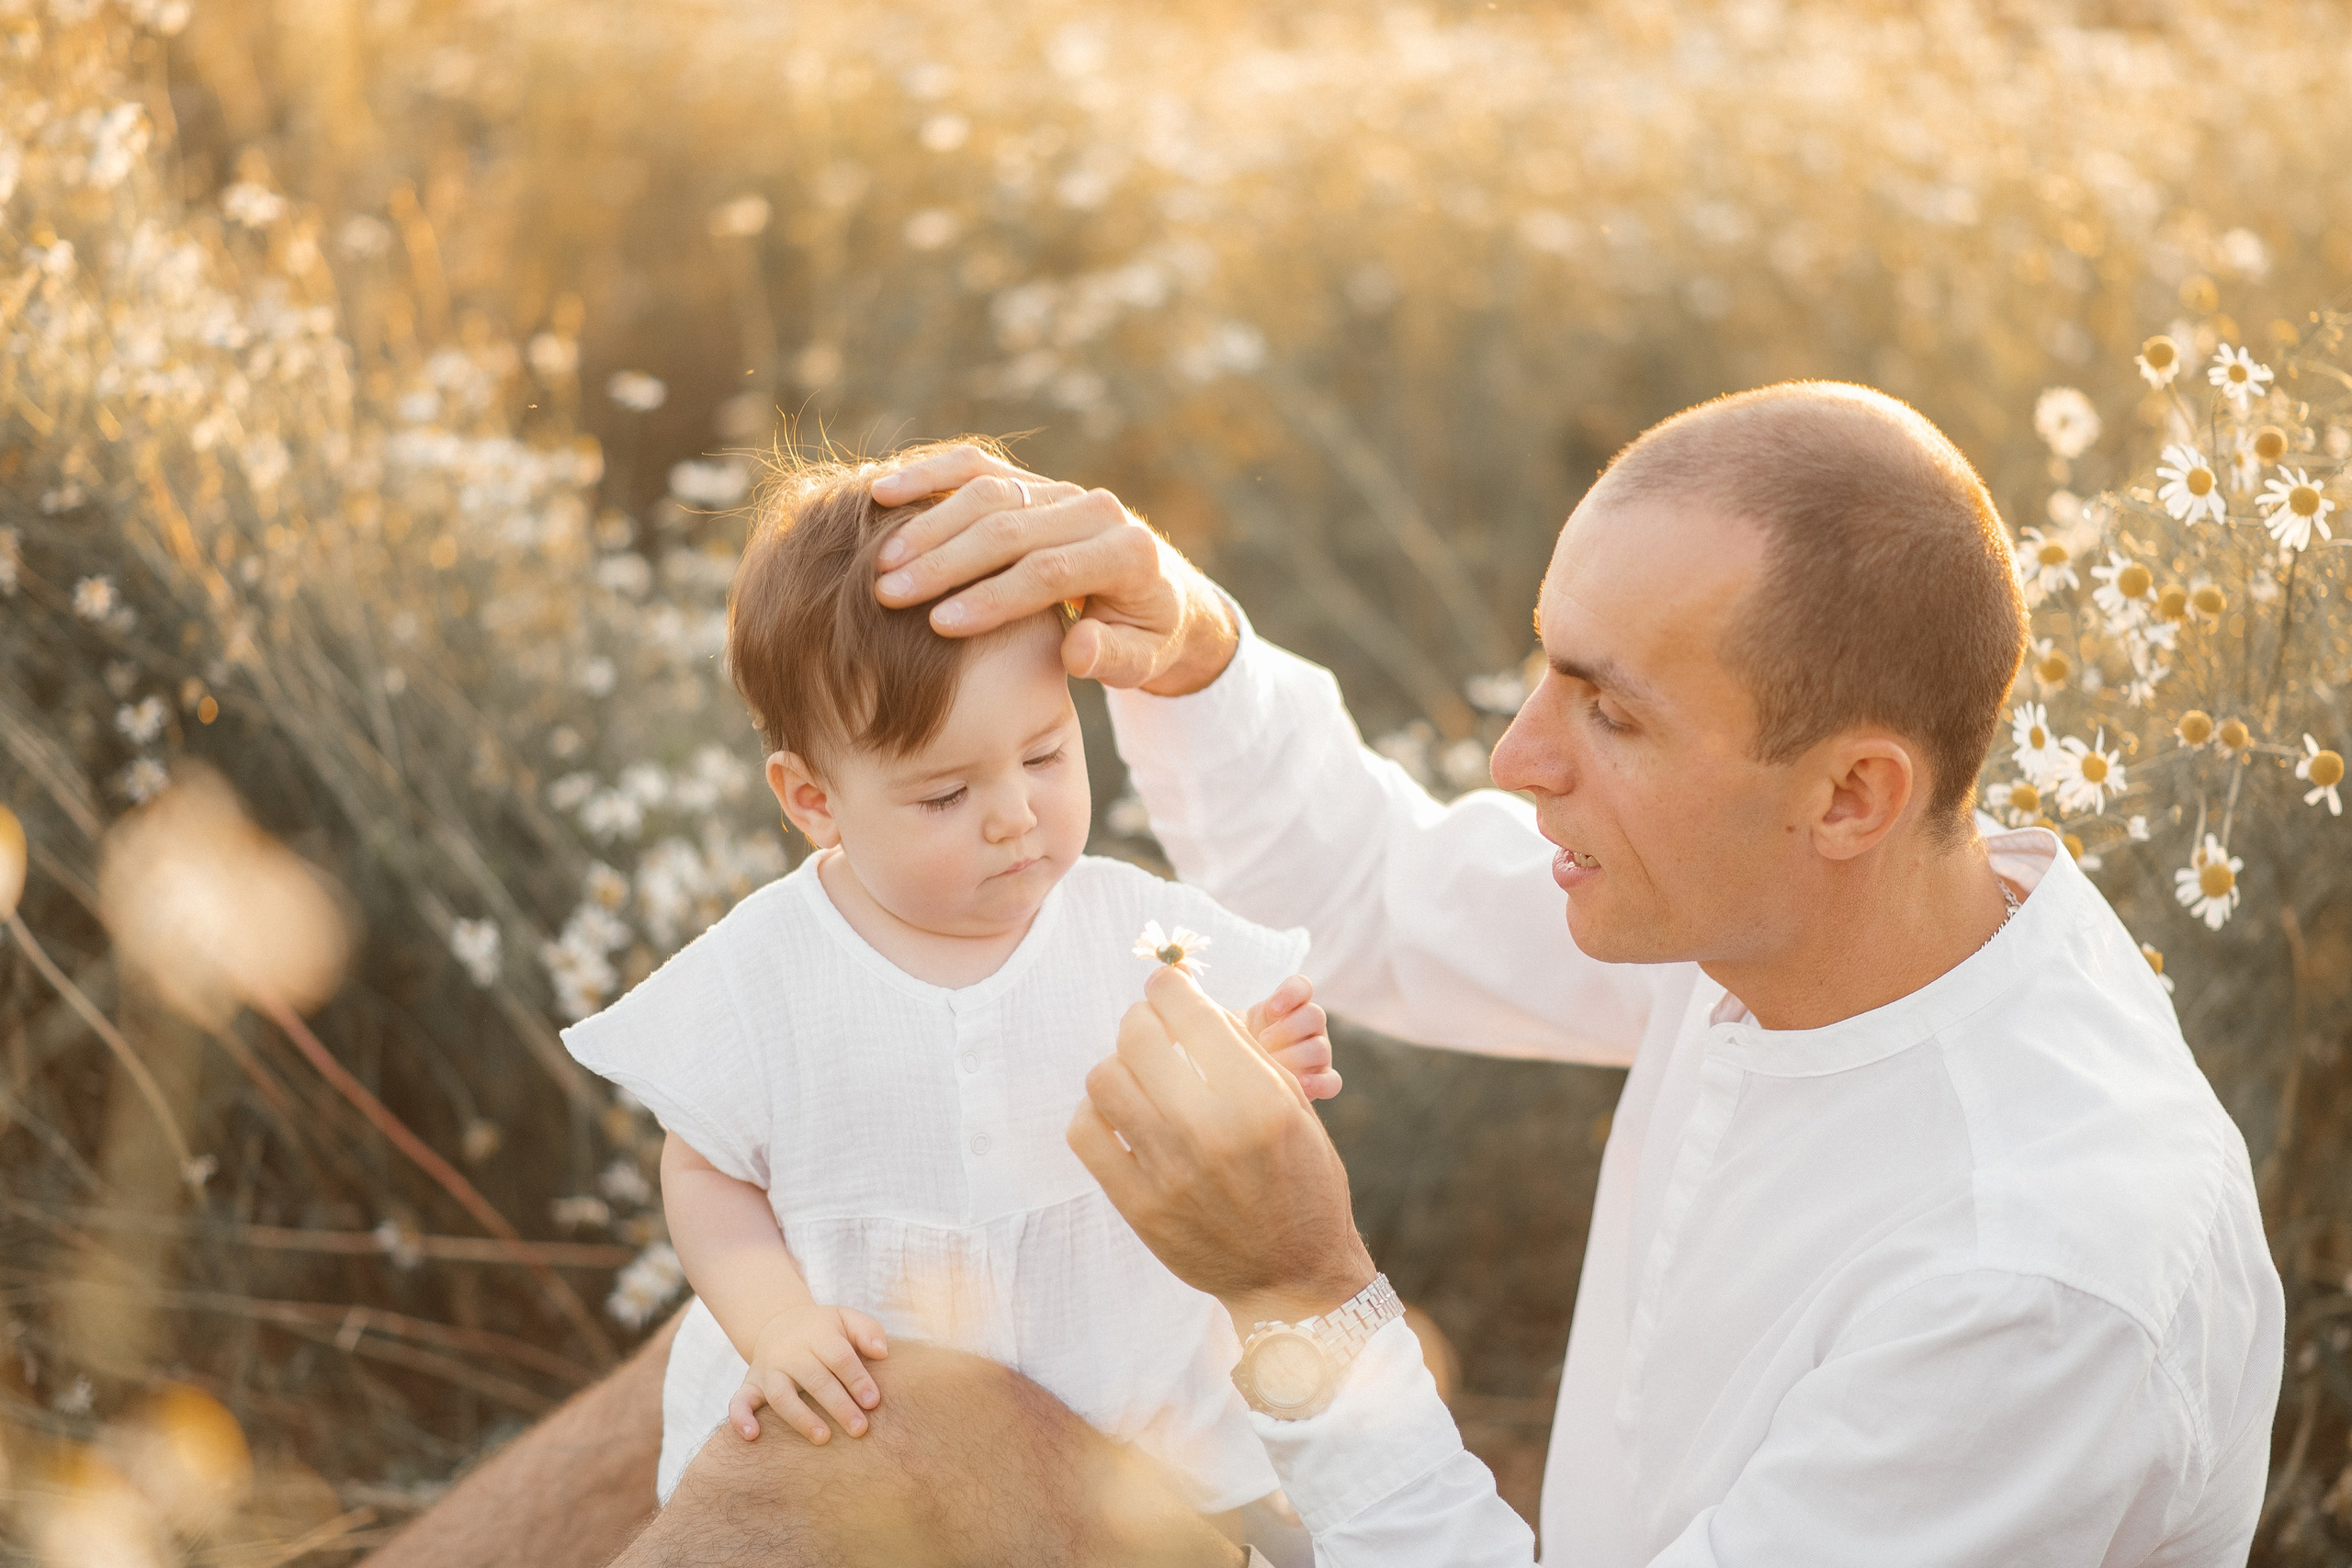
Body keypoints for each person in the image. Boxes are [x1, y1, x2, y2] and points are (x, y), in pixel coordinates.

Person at [365, 382, 2282, 1567]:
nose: (1519, 752)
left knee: (866, 1445)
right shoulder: (1796, 909)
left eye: (1601, 708)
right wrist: (1183, 638)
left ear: (1849, 790)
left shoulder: (2035, 1277)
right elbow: (1374, 889)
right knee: (768, 1341)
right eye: (1543, 664)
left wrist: (1298, 1290)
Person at [560, 450, 1339, 1539]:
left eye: (1045, 754)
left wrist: (1263, 1065)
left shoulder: (1127, 927)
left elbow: (1209, 1081)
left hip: (1139, 1411)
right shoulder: (769, 970)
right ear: (813, 799)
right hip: (879, 1419)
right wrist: (779, 1324)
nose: (1015, 814)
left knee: (1279, 1543)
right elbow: (705, 1173)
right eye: (945, 793)